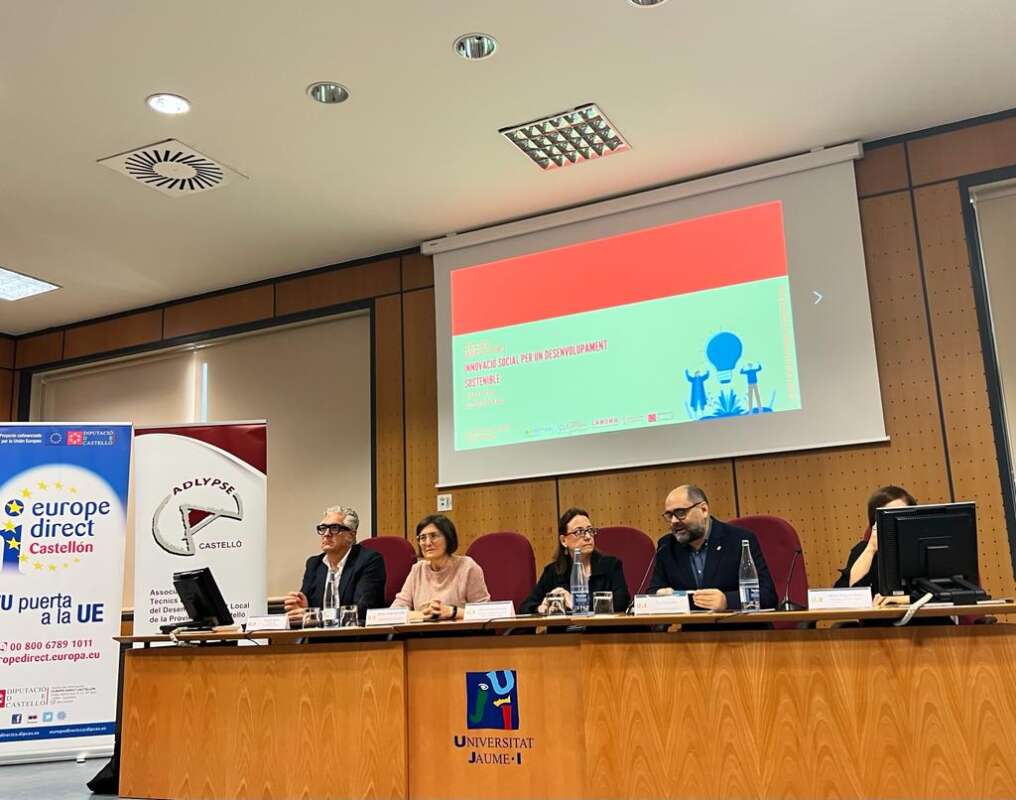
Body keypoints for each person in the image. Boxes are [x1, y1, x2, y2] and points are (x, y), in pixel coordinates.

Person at [648, 484, 777, 610]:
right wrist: (659, 597)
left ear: (704, 510)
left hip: (735, 623)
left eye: (680, 513)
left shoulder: (740, 540)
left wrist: (727, 601)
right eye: (669, 515)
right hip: (690, 624)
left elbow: (768, 595)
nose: (674, 521)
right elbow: (652, 593)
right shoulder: (666, 546)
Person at [284, 505, 386, 625]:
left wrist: (313, 615)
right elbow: (306, 609)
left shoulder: (369, 560)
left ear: (351, 535)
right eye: (323, 528)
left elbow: (362, 610)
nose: (326, 534)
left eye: (334, 528)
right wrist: (301, 607)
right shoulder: (314, 564)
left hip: (355, 633)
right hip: (318, 633)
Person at [520, 507, 630, 615]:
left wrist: (575, 603)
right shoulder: (553, 572)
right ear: (563, 540)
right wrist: (541, 607)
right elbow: (525, 606)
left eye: (590, 530)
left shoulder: (611, 566)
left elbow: (622, 603)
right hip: (565, 628)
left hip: (601, 627)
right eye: (579, 532)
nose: (588, 537)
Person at [393, 514, 490, 621]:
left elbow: (485, 612)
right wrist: (422, 614)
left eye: (434, 536)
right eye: (423, 538)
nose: (428, 543)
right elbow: (394, 612)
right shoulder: (417, 569)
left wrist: (452, 612)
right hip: (422, 630)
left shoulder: (467, 567)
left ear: (448, 538)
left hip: (460, 630)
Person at [834, 485, 917, 589]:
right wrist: (871, 549)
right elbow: (851, 591)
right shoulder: (862, 550)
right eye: (888, 516)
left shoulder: (919, 549)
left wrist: (902, 597)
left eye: (900, 514)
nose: (895, 521)